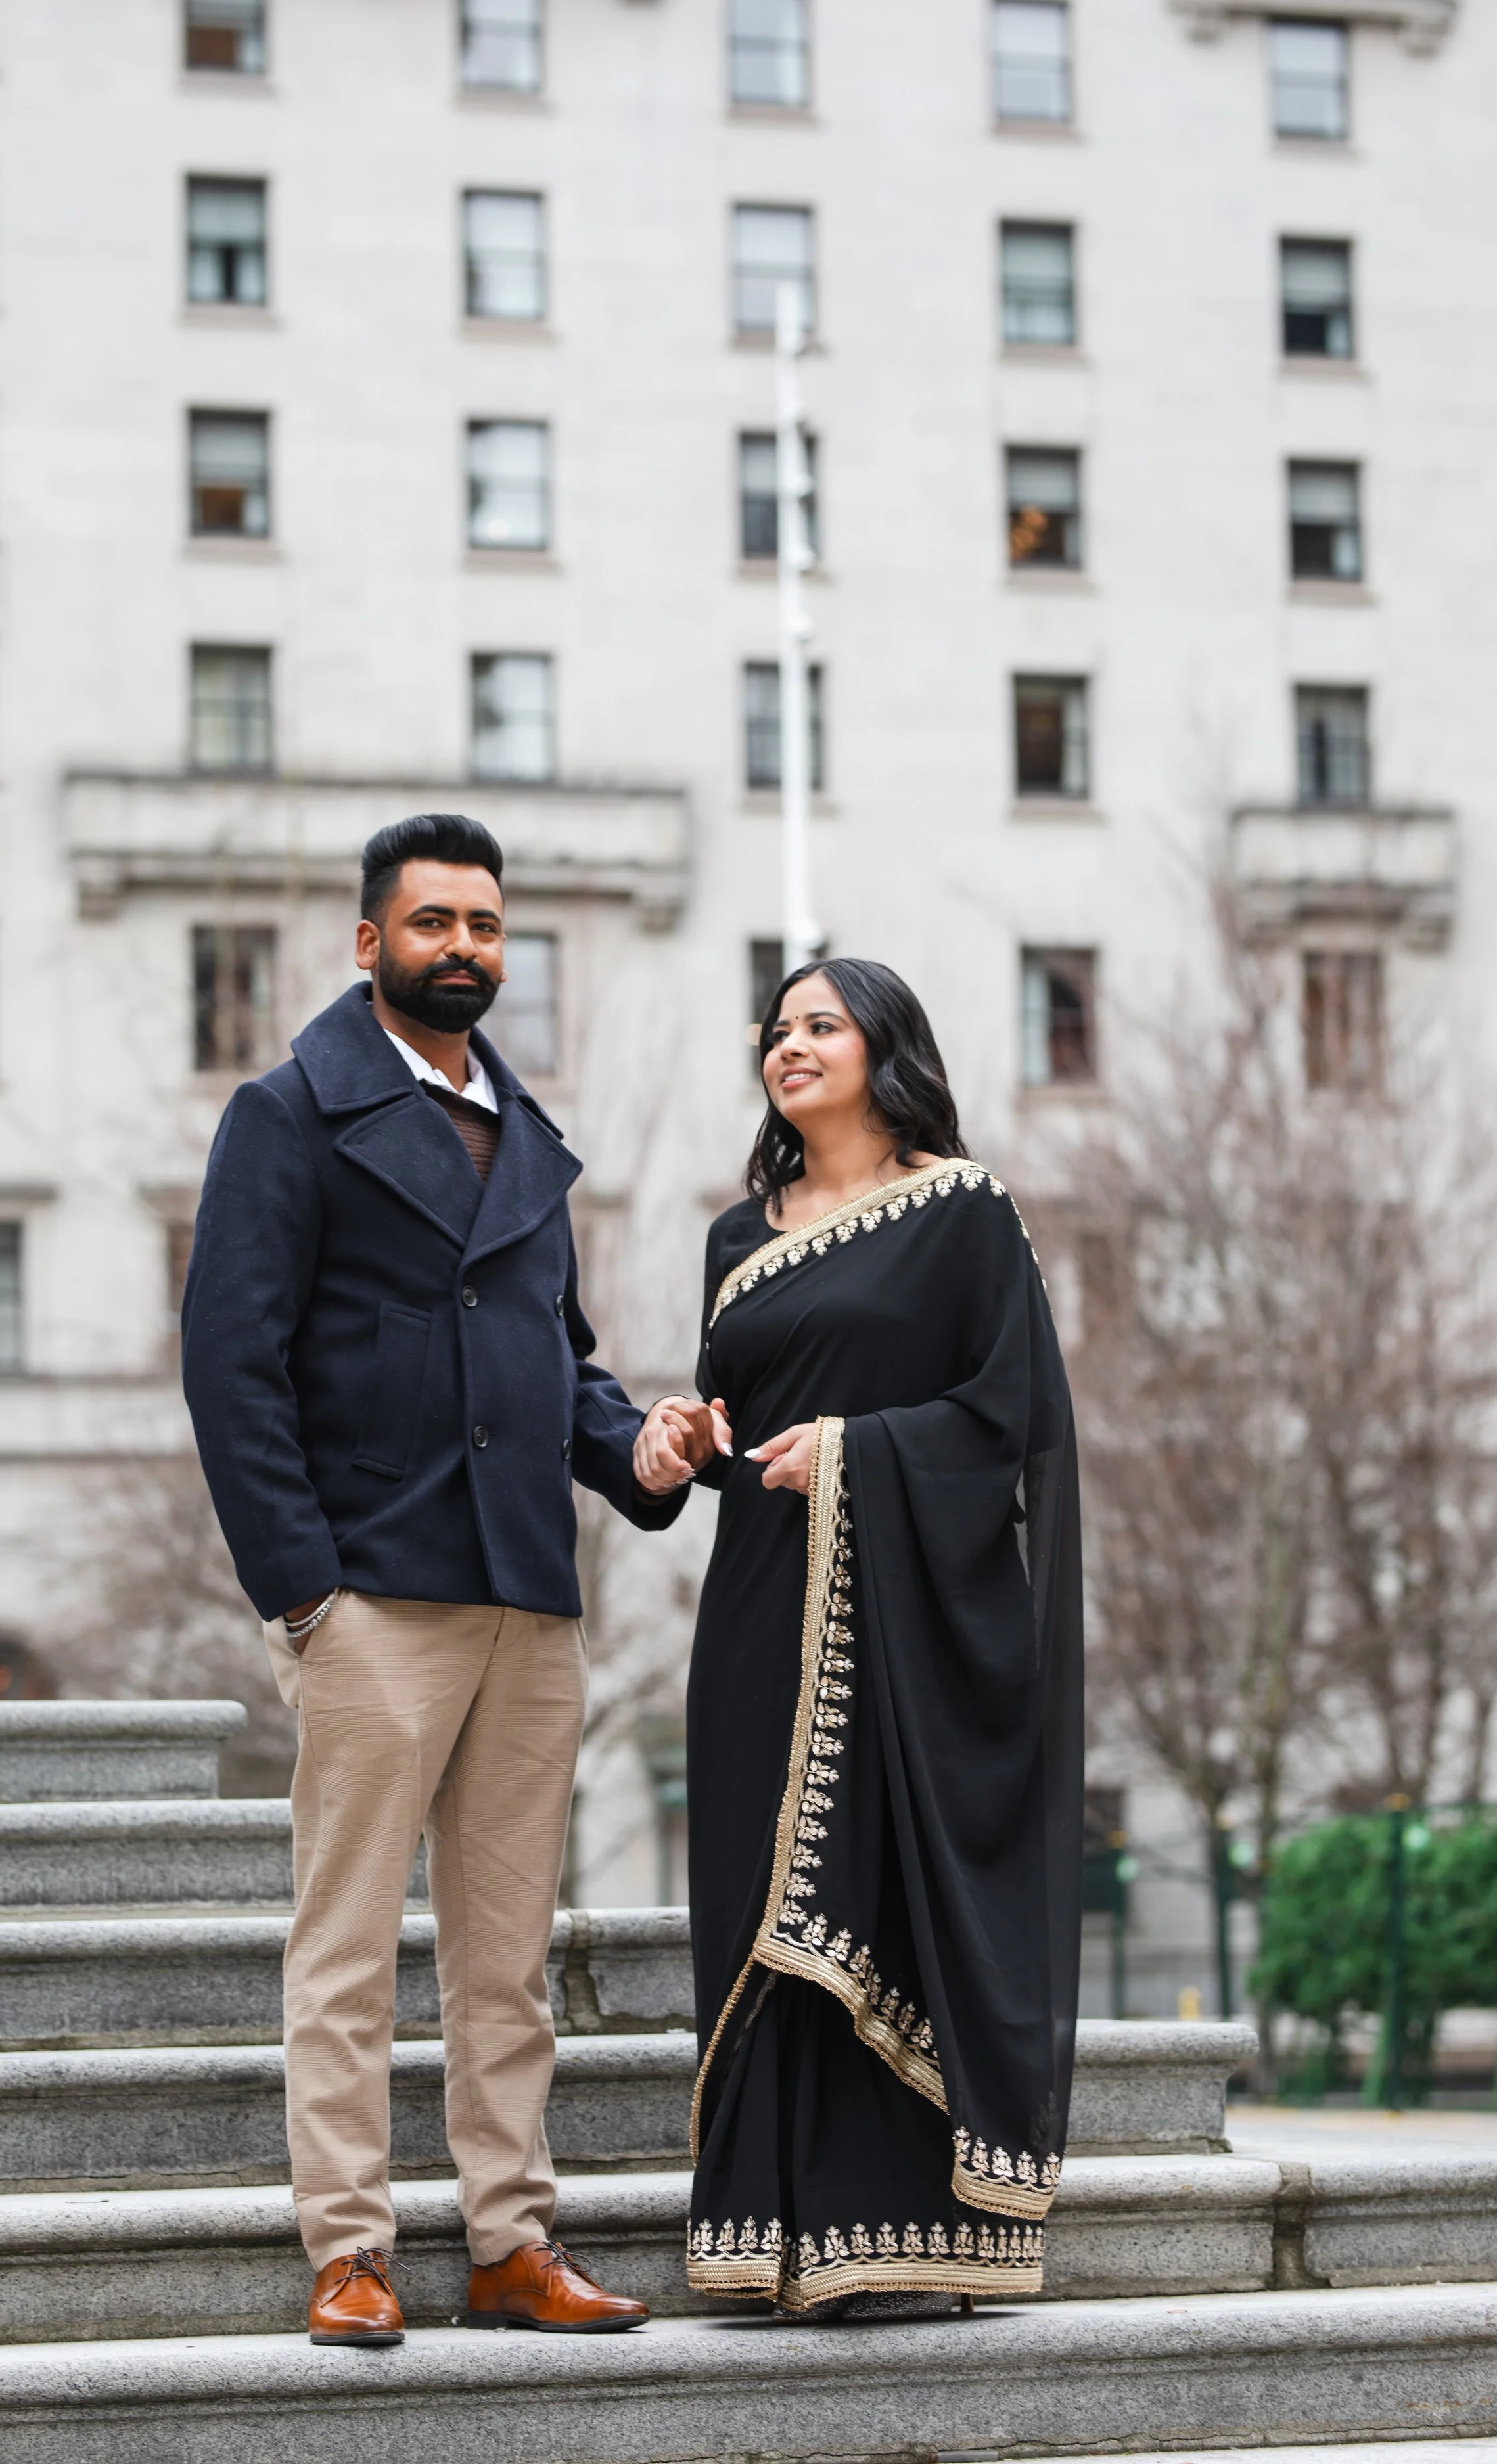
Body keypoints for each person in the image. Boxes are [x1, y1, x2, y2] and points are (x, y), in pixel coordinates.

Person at [181, 811, 707, 2347]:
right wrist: (301, 1593)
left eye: (485, 926)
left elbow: (564, 1362)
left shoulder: (529, 1140)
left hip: (524, 1598)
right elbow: (231, 1369)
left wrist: (637, 1456)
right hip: (370, 1598)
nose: (464, 947)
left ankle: (507, 2243)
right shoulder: (287, 1117)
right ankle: (348, 2251)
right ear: (370, 943)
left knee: (506, 1956)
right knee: (345, 1950)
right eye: (433, 924)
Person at [680, 957, 1084, 2318]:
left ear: (881, 1049)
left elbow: (1010, 1415)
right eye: (774, 1030)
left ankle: (900, 2238)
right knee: (756, 1903)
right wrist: (686, 1435)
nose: (786, 1047)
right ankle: (767, 2239)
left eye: (818, 1026)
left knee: (877, 1888)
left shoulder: (960, 1213)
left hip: (904, 1623)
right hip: (752, 1610)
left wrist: (858, 1452)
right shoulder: (737, 1237)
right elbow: (737, 1429)